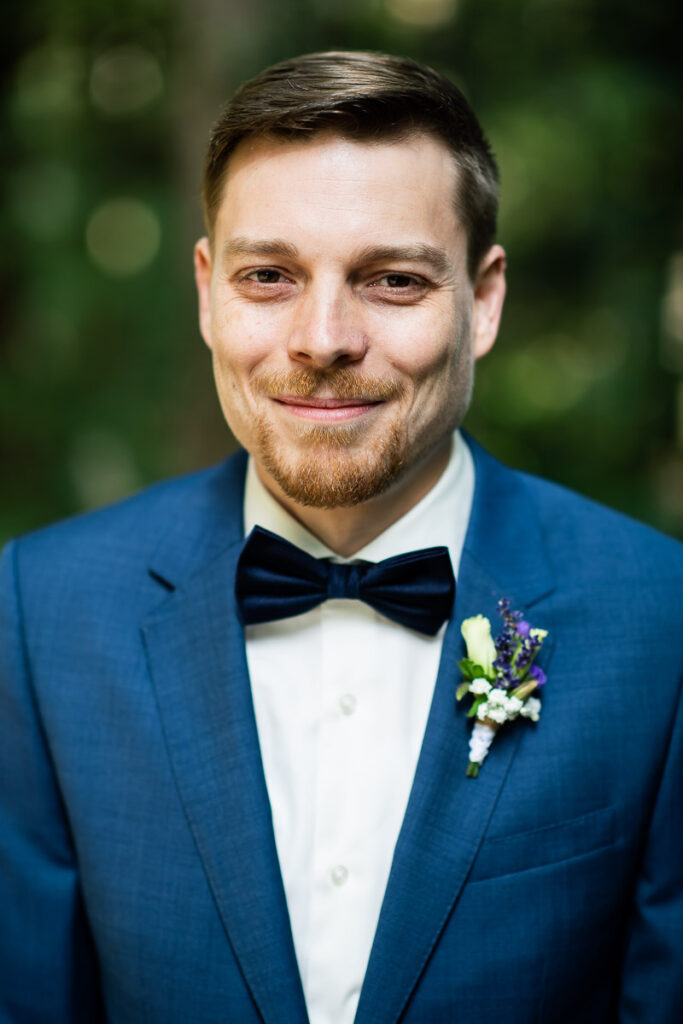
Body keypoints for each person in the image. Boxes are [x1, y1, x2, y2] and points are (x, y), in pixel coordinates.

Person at [0, 50, 681, 1024]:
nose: (322, 338)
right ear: (206, 290)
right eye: (268, 274)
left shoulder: (660, 619)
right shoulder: (39, 610)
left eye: (392, 280)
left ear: (480, 300)